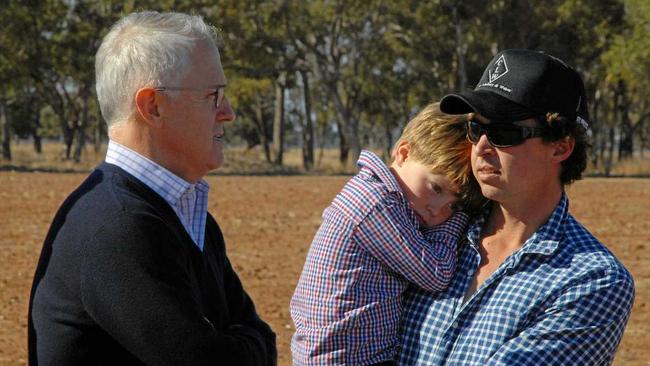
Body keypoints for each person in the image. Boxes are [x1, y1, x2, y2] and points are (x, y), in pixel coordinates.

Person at [28, 11, 276, 365]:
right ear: (153, 106)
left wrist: (246, 345)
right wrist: (244, 345)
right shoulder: (117, 228)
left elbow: (261, 337)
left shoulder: (188, 217)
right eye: (214, 94)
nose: (229, 112)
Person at [398, 49, 635, 365]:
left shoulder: (593, 280)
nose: (481, 147)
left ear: (561, 146)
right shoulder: (430, 223)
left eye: (503, 133)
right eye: (475, 129)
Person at [290, 103, 485, 365]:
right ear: (403, 153)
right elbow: (436, 273)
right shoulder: (374, 205)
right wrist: (459, 218)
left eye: (453, 204)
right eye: (436, 188)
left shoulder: (382, 198)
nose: (437, 211)